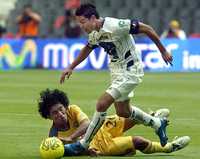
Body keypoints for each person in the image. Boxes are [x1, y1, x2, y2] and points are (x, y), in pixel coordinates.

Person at [60, 3, 173, 154]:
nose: (81, 26)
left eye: (82, 22)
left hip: (131, 70)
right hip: (117, 72)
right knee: (123, 112)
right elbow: (88, 48)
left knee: (101, 104)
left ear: (93, 18)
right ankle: (157, 123)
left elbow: (147, 28)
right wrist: (71, 66)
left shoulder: (115, 25)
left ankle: (83, 144)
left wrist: (163, 51)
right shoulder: (94, 33)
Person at [38, 89, 190, 156]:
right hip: (101, 146)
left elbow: (87, 124)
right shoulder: (54, 136)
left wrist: (71, 138)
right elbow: (68, 152)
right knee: (137, 141)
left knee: (129, 117)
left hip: (99, 127)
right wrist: (86, 151)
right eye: (54, 113)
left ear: (65, 106)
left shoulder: (73, 109)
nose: (60, 114)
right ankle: (170, 147)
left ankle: (153, 118)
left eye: (61, 109)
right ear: (49, 117)